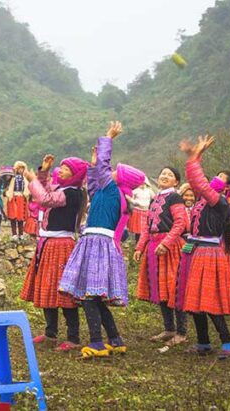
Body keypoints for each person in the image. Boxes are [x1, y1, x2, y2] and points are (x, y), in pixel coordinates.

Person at [58, 122, 143, 358]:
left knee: (88, 296)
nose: (109, 171)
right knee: (94, 297)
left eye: (115, 170)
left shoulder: (113, 190)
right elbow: (94, 183)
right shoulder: (112, 193)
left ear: (119, 177)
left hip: (96, 244)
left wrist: (108, 138)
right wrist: (93, 164)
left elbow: (103, 170)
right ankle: (115, 339)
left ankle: (97, 343)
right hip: (98, 243)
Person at [179, 136, 230, 359]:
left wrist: (195, 158)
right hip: (198, 252)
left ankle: (228, 342)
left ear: (228, 187)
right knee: (195, 301)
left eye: (222, 177)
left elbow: (200, 183)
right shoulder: (205, 199)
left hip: (209, 254)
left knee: (209, 301)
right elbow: (195, 182)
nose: (216, 177)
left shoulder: (219, 201)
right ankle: (203, 342)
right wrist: (194, 156)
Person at [22, 153, 88, 352]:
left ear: (75, 174)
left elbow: (45, 198)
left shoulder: (72, 193)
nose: (62, 170)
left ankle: (73, 337)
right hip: (49, 243)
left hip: (61, 245)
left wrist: (33, 180)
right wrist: (44, 171)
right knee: (47, 286)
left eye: (67, 168)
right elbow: (47, 188)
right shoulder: (64, 189)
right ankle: (51, 332)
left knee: (64, 291)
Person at [134, 165, 189, 346]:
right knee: (160, 287)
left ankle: (181, 332)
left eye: (169, 174)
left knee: (174, 287)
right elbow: (146, 226)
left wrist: (167, 243)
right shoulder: (154, 199)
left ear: (176, 181)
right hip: (153, 246)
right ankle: (169, 328)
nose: (164, 176)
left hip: (170, 247)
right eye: (162, 173)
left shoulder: (175, 197)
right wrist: (140, 247)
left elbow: (180, 223)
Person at [5, 163, 30, 238]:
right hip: (13, 198)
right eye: (19, 168)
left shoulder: (25, 179)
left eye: (22, 168)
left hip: (21, 198)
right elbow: (8, 188)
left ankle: (21, 234)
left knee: (20, 217)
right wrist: (8, 193)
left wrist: (27, 194)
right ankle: (14, 234)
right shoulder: (12, 179)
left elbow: (28, 188)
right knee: (13, 216)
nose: (21, 170)